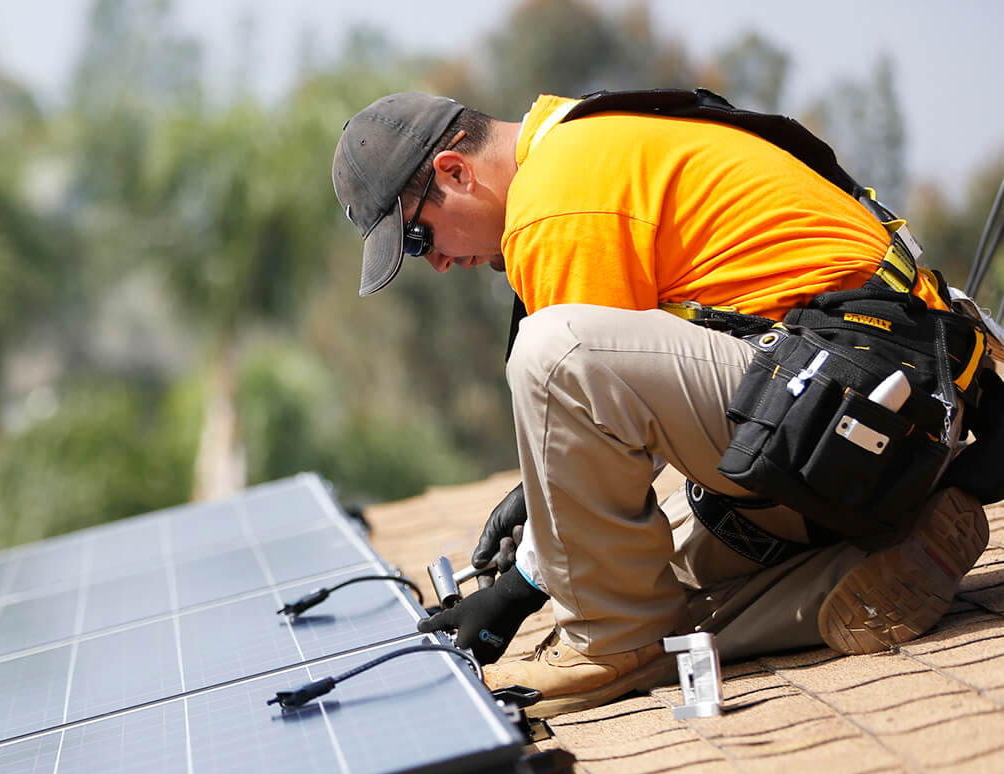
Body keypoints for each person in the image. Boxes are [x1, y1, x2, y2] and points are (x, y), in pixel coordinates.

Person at [331, 90, 994, 716]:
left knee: (553, 353)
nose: (437, 264)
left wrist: (519, 588)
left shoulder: (551, 209)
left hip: (861, 414)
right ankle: (864, 577)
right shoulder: (576, 137)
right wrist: (546, 507)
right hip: (881, 415)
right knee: (650, 564)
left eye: (419, 240)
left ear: (455, 170)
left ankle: (608, 644)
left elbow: (582, 378)